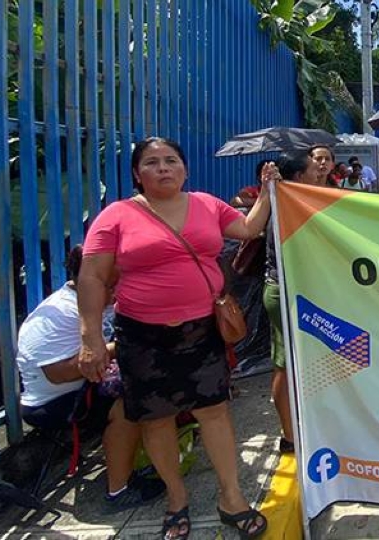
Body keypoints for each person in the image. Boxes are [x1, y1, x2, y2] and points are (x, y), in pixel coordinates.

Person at [78, 137, 273, 539]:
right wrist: (91, 337)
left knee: (214, 411)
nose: (163, 168)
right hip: (141, 336)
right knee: (156, 418)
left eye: (171, 160)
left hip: (202, 331)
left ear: (185, 169)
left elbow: (249, 228)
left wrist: (268, 191)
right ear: (137, 174)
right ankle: (176, 497)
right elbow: (93, 276)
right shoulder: (116, 215)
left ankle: (231, 496)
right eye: (152, 162)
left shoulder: (207, 204)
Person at [17, 246, 165, 513]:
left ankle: (147, 457)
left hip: (87, 382)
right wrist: (119, 348)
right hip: (56, 399)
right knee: (128, 403)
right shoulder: (56, 314)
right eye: (109, 286)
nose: (114, 293)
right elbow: (58, 373)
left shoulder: (96, 299)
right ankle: (118, 490)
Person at [262, 153, 323, 455]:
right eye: (314, 168)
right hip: (285, 292)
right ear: (299, 177)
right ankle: (289, 435)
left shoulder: (300, 203)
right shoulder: (285, 208)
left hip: (300, 291)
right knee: (285, 365)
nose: (320, 171)